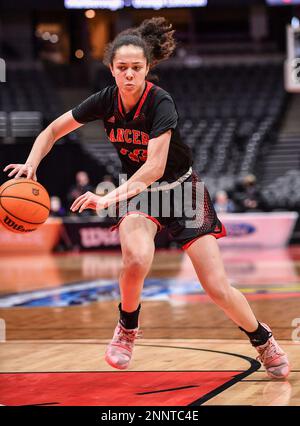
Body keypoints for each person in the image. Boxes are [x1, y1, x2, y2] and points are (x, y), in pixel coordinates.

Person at [3, 17, 289, 379]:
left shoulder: (160, 102)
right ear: (111, 69)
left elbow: (154, 167)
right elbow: (52, 130)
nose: (128, 75)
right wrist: (31, 164)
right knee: (136, 258)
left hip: (181, 191)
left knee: (216, 286)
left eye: (136, 68)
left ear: (147, 68)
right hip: (140, 194)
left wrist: (109, 199)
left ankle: (262, 339)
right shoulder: (105, 101)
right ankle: (127, 328)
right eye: (121, 68)